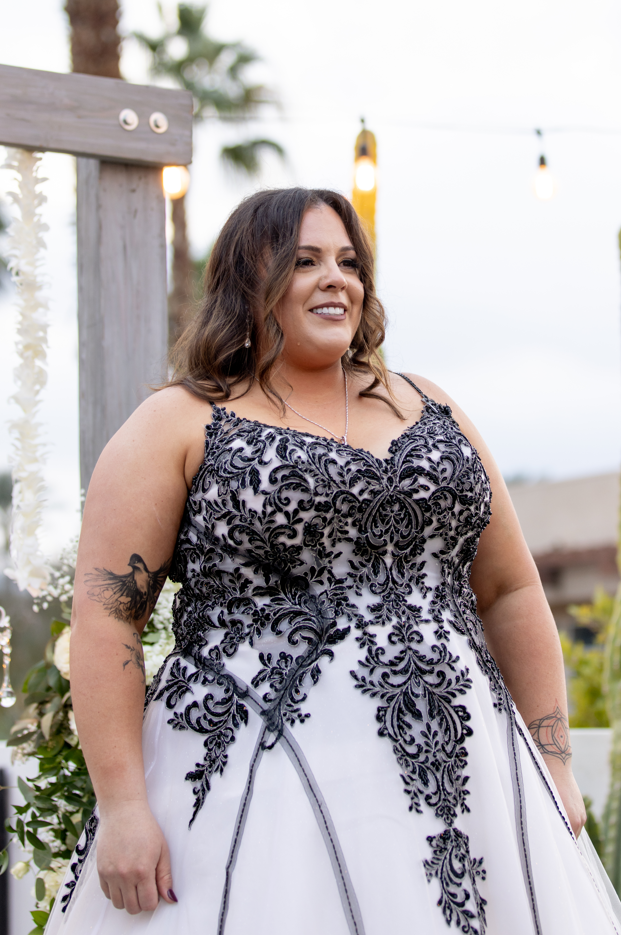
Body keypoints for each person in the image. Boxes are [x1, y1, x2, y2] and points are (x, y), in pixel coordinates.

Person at [47, 188, 620, 935]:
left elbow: (510, 590)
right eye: (305, 260)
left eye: (349, 262)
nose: (335, 279)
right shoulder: (180, 422)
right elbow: (107, 616)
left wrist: (553, 760)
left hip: (462, 780)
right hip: (261, 789)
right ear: (247, 280)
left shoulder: (431, 405)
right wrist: (123, 805)